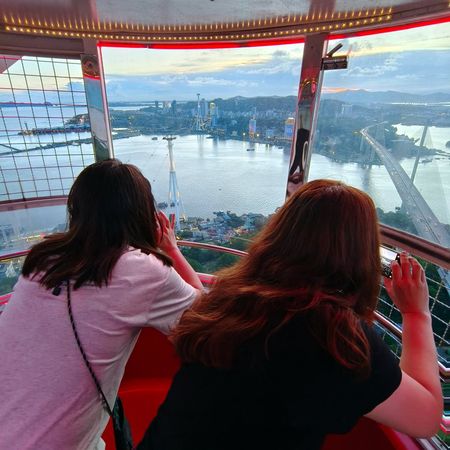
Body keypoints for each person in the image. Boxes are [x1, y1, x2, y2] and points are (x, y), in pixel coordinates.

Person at [137, 179, 442, 450]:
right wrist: (416, 314)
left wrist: (174, 252)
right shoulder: (335, 339)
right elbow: (427, 419)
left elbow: (199, 297)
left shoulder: (231, 300)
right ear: (360, 255)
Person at [0, 159, 203, 450]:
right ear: (145, 214)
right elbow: (209, 319)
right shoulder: (141, 269)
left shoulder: (43, 259)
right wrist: (171, 249)